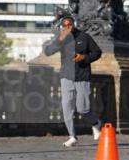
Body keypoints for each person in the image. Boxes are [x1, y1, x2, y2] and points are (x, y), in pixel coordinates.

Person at [41, 13, 102, 148]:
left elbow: (97, 52)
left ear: (74, 25)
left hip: (82, 77)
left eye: (70, 25)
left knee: (83, 108)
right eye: (65, 26)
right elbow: (48, 52)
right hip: (66, 77)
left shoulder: (84, 37)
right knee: (67, 108)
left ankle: (96, 123)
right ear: (62, 27)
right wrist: (59, 40)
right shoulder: (61, 39)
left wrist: (84, 58)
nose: (68, 27)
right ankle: (72, 136)